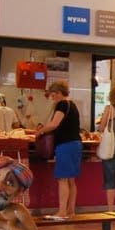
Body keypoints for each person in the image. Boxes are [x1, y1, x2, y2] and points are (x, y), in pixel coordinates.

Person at [37, 81, 81, 220]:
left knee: (62, 179)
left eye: (53, 95)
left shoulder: (62, 104)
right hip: (76, 144)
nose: (52, 98)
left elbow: (54, 124)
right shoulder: (72, 105)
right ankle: (70, 210)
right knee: (71, 180)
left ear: (59, 93)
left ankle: (62, 212)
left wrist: (40, 131)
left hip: (65, 145)